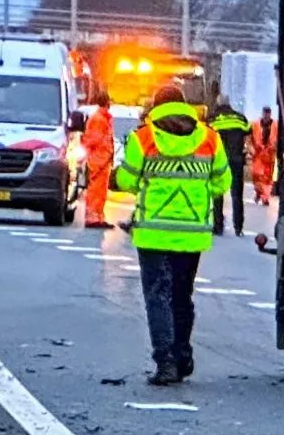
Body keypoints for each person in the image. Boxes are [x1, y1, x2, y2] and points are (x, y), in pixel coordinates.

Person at [115, 84, 229, 385]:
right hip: (191, 234)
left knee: (158, 296)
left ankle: (166, 362)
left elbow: (127, 180)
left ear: (156, 105)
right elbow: (221, 183)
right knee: (182, 295)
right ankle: (183, 353)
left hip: (153, 234)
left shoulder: (145, 137)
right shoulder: (209, 138)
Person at [207, 99, 250, 235]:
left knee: (218, 194)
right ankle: (238, 227)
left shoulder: (212, 119)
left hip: (219, 161)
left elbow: (206, 135)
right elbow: (249, 130)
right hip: (237, 159)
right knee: (237, 195)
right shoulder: (240, 118)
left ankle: (218, 226)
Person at [78, 92, 114, 228]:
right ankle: (93, 217)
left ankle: (98, 216)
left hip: (102, 160)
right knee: (96, 191)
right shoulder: (99, 119)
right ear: (107, 102)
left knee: (100, 191)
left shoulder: (102, 118)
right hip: (99, 161)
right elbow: (93, 140)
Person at [246, 108, 278, 207]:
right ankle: (259, 192)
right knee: (256, 176)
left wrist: (275, 147)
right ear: (262, 113)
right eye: (265, 114)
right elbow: (249, 138)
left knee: (267, 179)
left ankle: (265, 197)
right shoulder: (254, 124)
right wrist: (250, 148)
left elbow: (278, 139)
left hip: (269, 155)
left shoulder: (276, 125)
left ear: (270, 114)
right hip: (258, 155)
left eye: (268, 114)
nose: (266, 116)